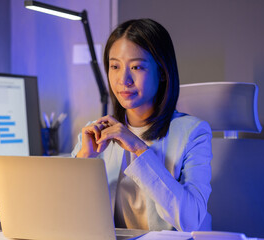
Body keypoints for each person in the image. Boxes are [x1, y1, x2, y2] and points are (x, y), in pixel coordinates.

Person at [71, 18, 212, 232]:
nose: (123, 79)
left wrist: (138, 149)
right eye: (115, 66)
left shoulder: (194, 133)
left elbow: (191, 219)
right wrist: (84, 159)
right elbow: (65, 211)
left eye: (136, 67)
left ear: (162, 72)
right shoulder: (92, 134)